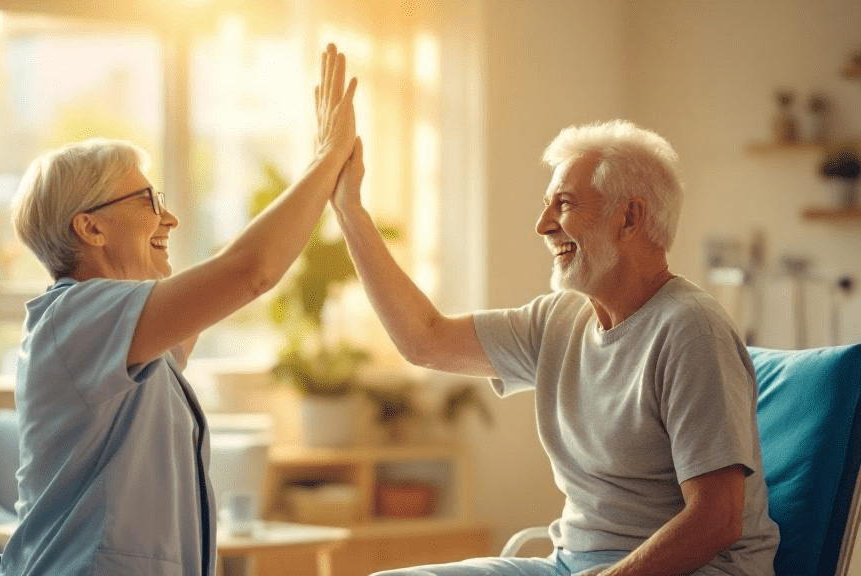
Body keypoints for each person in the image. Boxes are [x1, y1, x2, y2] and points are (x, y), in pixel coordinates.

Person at [330, 120, 779, 576]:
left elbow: (717, 520)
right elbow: (426, 339)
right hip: (571, 565)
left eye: (563, 204)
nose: (543, 225)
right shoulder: (559, 320)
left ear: (630, 217)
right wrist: (350, 210)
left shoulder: (690, 330)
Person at [0, 43, 357, 575]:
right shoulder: (77, 318)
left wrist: (327, 173)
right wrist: (327, 158)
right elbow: (247, 271)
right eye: (148, 202)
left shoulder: (135, 337)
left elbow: (227, 274)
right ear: (90, 227)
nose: (169, 220)